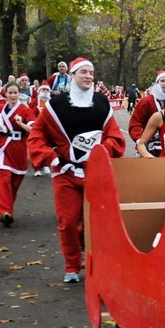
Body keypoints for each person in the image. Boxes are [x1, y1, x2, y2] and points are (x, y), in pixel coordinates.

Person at [28, 57, 126, 283]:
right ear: (72, 75)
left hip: (95, 173)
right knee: (68, 221)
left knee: (95, 221)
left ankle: (93, 258)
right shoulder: (56, 105)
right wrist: (51, 157)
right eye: (83, 72)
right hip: (65, 173)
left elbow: (115, 136)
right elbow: (36, 136)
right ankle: (72, 265)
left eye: (91, 73)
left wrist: (103, 150)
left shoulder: (102, 103)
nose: (88, 76)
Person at [0, 81, 35, 226]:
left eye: (15, 93)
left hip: (19, 147)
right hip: (2, 146)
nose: (12, 95)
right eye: (10, 93)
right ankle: (5, 211)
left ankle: (8, 210)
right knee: (3, 178)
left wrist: (21, 123)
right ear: (5, 94)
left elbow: (33, 129)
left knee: (15, 182)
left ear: (19, 94)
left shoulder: (25, 110)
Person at [128, 70, 165, 149]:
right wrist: (140, 140)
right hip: (149, 144)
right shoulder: (146, 102)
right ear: (157, 83)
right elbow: (134, 124)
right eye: (162, 81)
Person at [29, 84, 53, 177]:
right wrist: (34, 122)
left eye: (47, 90)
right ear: (39, 91)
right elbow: (30, 112)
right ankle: (37, 168)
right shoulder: (35, 102)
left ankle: (46, 164)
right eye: (43, 89)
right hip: (37, 127)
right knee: (36, 147)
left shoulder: (52, 102)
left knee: (48, 147)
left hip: (48, 128)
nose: (45, 92)